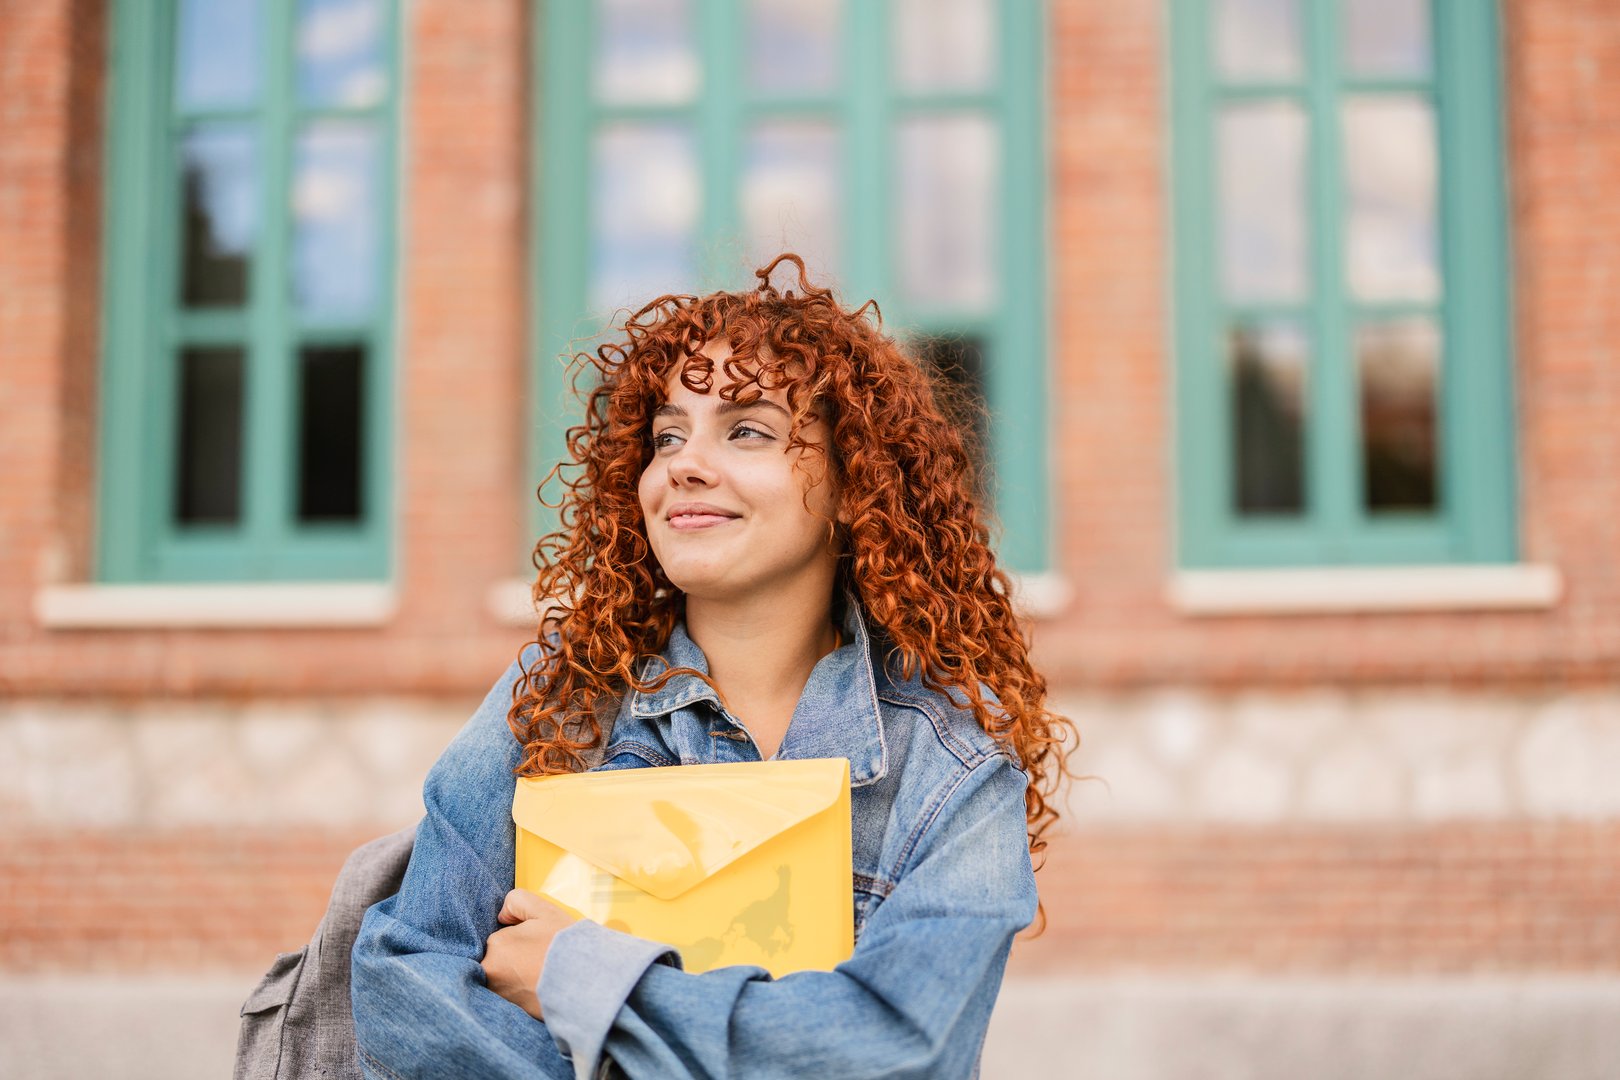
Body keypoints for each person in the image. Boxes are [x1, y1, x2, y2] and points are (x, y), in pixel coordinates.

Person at [350, 254, 1075, 1079]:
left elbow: (901, 1049)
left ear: (852, 484)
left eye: (748, 430)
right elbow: (403, 981)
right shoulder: (560, 699)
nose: (685, 464)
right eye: (667, 436)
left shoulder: (952, 761)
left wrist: (579, 978)